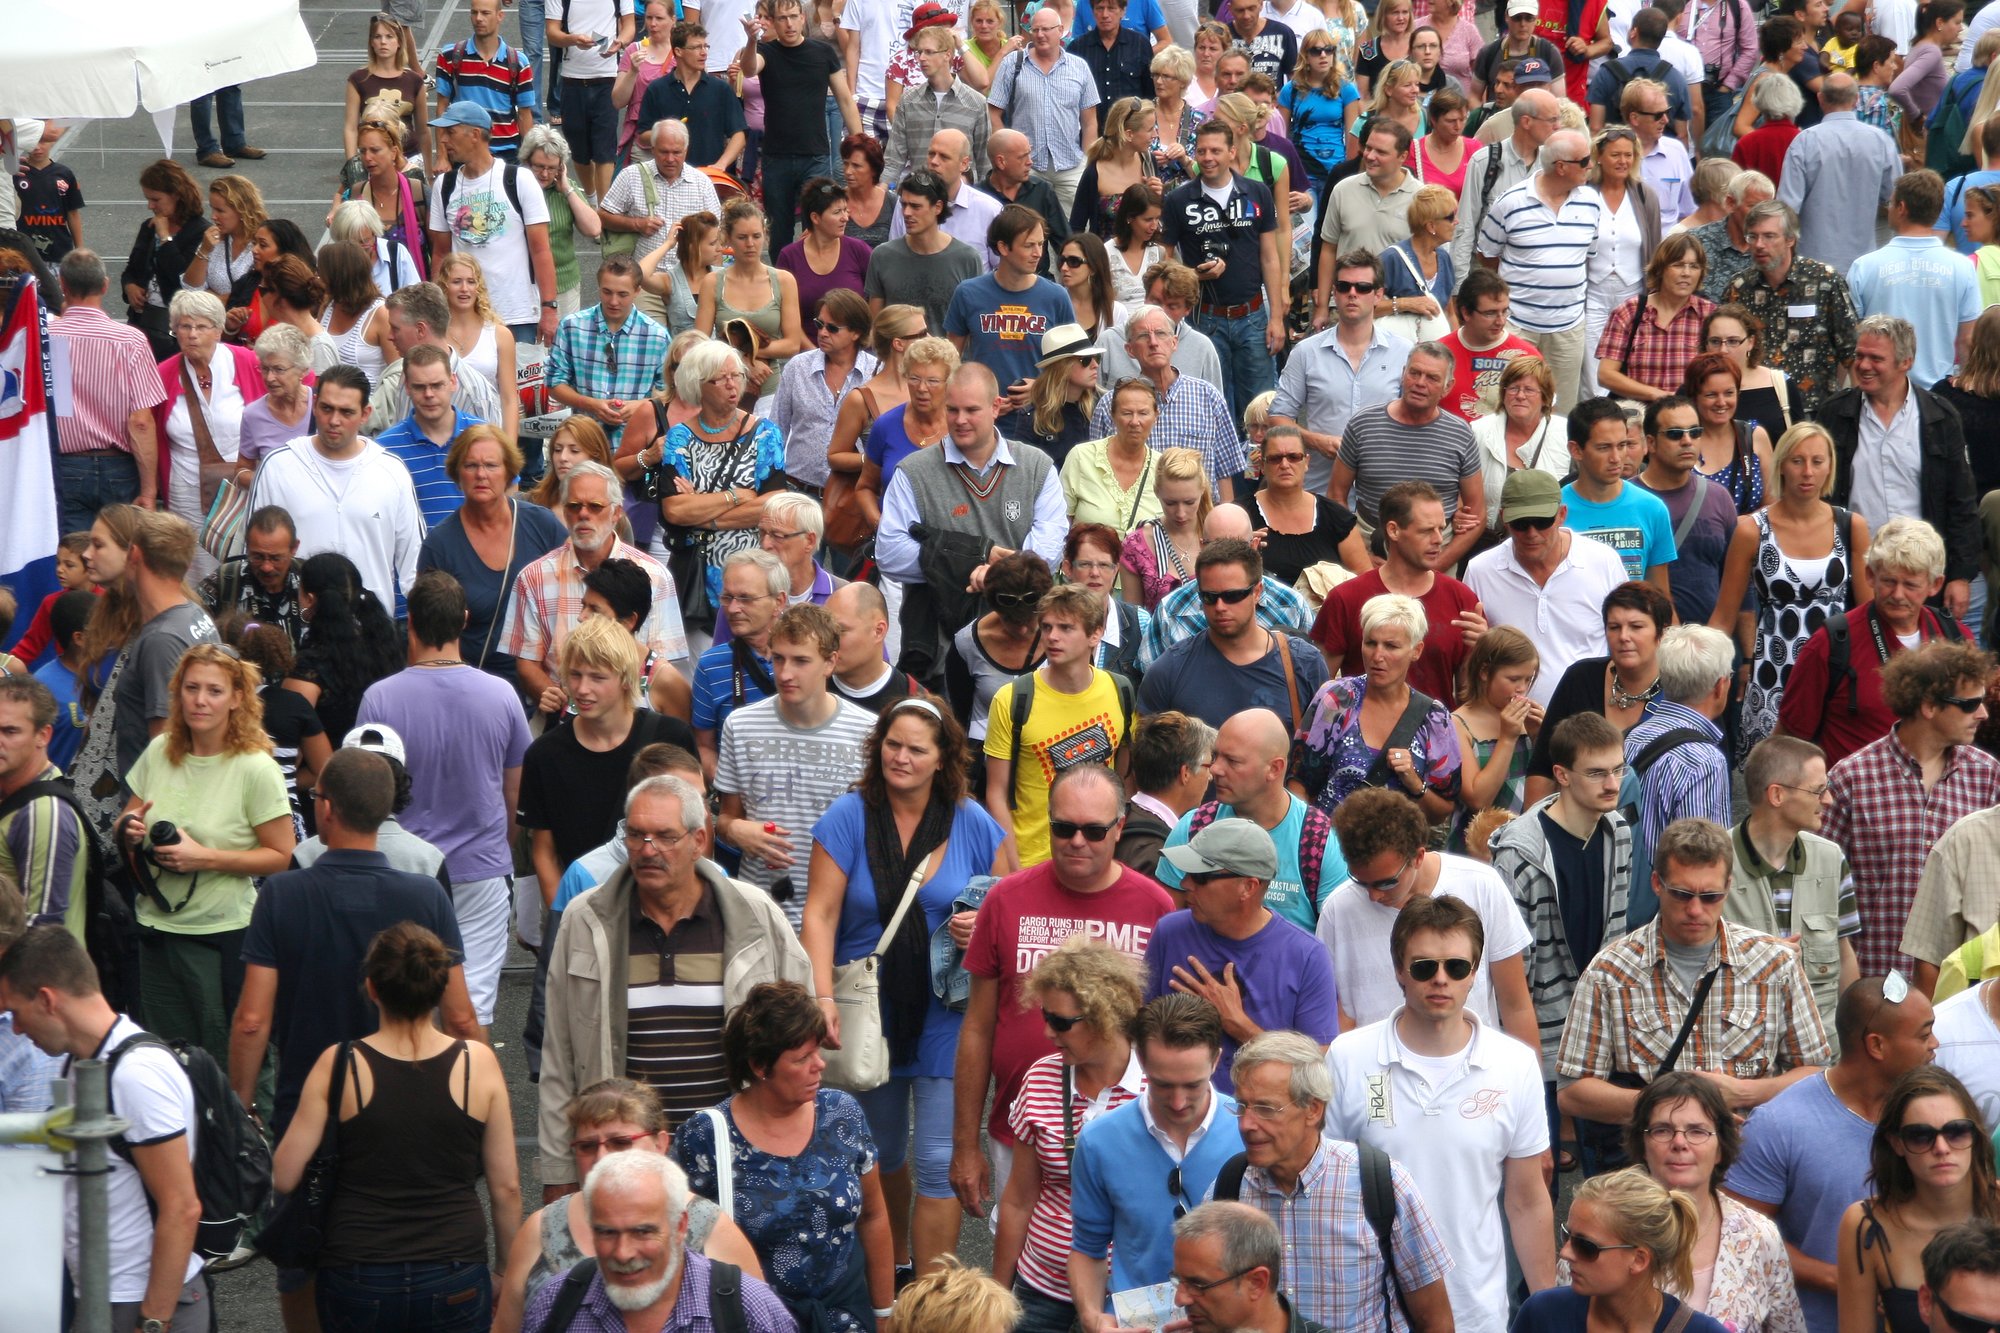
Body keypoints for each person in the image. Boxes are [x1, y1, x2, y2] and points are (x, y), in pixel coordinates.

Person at [799, 696, 1003, 1280]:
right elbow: (820, 914)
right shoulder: (847, 816)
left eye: (917, 748)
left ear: (944, 759)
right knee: (881, 1155)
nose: (902, 757)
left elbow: (1006, 903)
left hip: (947, 1011)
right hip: (866, 1009)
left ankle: (932, 1299)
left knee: (939, 1162)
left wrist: (980, 922)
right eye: (893, 744)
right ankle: (892, 1274)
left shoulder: (972, 822)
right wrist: (822, 998)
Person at [540, 771, 812, 1195]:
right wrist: (558, 1174)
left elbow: (801, 1042)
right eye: (636, 835)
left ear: (699, 840)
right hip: (626, 1163)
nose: (648, 850)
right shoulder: (584, 919)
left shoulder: (756, 915)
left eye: (665, 837)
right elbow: (558, 1055)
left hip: (739, 1161)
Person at [268, 921, 518, 1332]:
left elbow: (285, 1173)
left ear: (372, 988)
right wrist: (506, 1272)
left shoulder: (340, 1063)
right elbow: (506, 1188)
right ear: (440, 989)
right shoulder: (478, 1063)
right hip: (454, 1265)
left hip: (358, 1268)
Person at [949, 763, 1173, 1217]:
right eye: (1063, 827)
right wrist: (964, 1145)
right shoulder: (1005, 898)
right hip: (1020, 1125)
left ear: (1119, 829)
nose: (1076, 841)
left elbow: (1163, 1030)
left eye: (1093, 830)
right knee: (1021, 1256)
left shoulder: (1155, 906)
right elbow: (977, 1027)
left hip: (1128, 1132)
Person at [1327, 893, 1556, 1332]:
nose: (1440, 980)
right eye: (1423, 967)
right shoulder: (1348, 1057)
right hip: (1371, 1310)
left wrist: (1546, 1307)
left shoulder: (1515, 1063)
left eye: (1455, 967)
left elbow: (1527, 1200)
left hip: (1476, 1310)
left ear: (1474, 973)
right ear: (1398, 970)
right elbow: (1331, 1191)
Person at [231, 745, 475, 1148]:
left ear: (327, 809)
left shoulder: (281, 894)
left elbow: (252, 1019)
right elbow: (461, 1019)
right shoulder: (427, 896)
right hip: (409, 1106)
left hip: (307, 1106)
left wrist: (240, 1107)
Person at [1558, 816, 1831, 1140]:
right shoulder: (1611, 973)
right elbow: (1573, 1092)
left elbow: (1817, 1073)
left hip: (1750, 1163)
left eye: (1710, 896)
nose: (1695, 910)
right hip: (1650, 1176)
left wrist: (1746, 1093)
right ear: (1657, 883)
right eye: (1682, 895)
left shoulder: (1775, 964)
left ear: (1728, 886)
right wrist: (1673, 1107)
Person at [0, 926, 210, 1331]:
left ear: (47, 1000)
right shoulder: (82, 1063)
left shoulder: (137, 1074)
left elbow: (182, 1207)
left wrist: (153, 1321)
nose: (17, 1030)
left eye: (17, 1014)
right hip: (104, 1295)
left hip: (143, 1305)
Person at [351, 571, 527, 1031]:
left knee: (400, 1005)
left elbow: (365, 792)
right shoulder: (502, 696)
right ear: (464, 620)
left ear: (410, 623)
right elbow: (515, 792)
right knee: (473, 1012)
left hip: (401, 869)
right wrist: (500, 848)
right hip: (482, 870)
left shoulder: (379, 698)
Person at [668, 980, 892, 1333]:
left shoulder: (842, 1114)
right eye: (802, 1058)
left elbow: (875, 1216)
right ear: (760, 1066)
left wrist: (884, 1313)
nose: (819, 1065)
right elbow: (678, 1244)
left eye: (817, 1051)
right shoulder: (706, 1135)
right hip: (753, 1321)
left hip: (846, 1318)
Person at [1724, 976, 1940, 1333]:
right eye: (1922, 1035)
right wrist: (1844, 1280)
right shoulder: (1780, 1123)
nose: (1935, 1044)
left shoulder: (1938, 1118)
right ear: (1876, 1045)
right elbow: (1739, 1237)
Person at [117, 644, 296, 1069]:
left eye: (214, 691)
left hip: (219, 936)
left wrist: (205, 858)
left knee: (219, 1062)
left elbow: (283, 856)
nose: (200, 700)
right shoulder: (161, 750)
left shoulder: (255, 767)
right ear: (177, 693)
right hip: (156, 932)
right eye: (191, 688)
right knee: (165, 1062)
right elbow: (127, 817)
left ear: (237, 698)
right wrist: (129, 830)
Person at [1216, 1030, 1455, 1329]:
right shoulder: (1228, 1190)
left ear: (1313, 1109)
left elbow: (1434, 1318)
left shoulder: (1381, 1183)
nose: (1246, 1124)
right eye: (1241, 1107)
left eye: (1266, 1109)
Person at [495, 1079, 765, 1333]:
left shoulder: (713, 1229)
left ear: (661, 1144)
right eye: (587, 1146)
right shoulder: (541, 1229)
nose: (602, 1157)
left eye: (620, 1142)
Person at [985, 937, 1147, 1329]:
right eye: (1045, 1015)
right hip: (1041, 1287)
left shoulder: (1156, 1089)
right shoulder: (1041, 1077)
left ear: (1105, 1016)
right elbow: (1020, 1200)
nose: (1047, 1032)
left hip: (1126, 1296)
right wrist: (999, 1297)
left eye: (1060, 1022)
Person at [1822, 640, 2000, 980]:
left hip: (1958, 988)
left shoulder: (1987, 774)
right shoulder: (1851, 778)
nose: (1983, 713)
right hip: (1874, 980)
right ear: (1929, 706)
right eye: (1970, 704)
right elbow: (1822, 888)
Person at [1068, 995, 1244, 1328]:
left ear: (1217, 1060)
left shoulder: (1248, 1131)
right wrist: (1093, 1317)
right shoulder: (1098, 1141)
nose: (1178, 1102)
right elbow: (1087, 1248)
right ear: (1143, 1064)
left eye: (1193, 1085)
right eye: (1163, 1085)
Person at [1320, 784, 1537, 1037]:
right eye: (1360, 881)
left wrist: (1529, 1075)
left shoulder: (1482, 884)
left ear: (1418, 856)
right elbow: (1335, 1016)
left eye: (1387, 882)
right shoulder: (1337, 910)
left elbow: (1516, 1006)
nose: (1373, 895)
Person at [715, 605, 875, 927]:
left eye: (801, 661)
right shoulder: (741, 725)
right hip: (761, 909)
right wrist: (736, 830)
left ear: (830, 662)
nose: (785, 674)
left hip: (841, 915)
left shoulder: (868, 731)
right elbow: (726, 818)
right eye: (778, 659)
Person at [68, 509, 224, 840]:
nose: (86, 554)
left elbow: (166, 749)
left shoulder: (161, 638)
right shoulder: (190, 616)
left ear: (134, 554)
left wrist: (137, 821)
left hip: (143, 823)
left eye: (99, 544)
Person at [1144, 814, 1340, 1074]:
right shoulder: (1169, 932)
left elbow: (1317, 1069)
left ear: (1248, 887)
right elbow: (1141, 1034)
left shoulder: (1307, 956)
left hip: (1262, 1112)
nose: (1185, 883)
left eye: (1200, 877)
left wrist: (1239, 1025)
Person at [1621, 1073, 1811, 1332]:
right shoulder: (1605, 1228)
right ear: (1642, 1144)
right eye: (1662, 1130)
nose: (1679, 1143)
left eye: (1697, 1131)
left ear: (1721, 1147)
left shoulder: (1758, 1236)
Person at [1819, 316, 1979, 623]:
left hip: (1921, 576)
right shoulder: (1834, 413)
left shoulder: (1940, 416)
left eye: (1876, 358)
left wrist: (1959, 576)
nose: (1863, 365)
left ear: (1906, 362)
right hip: (1855, 574)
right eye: (1860, 355)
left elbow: (1961, 502)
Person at [503, 459, 688, 718]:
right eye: (574, 506)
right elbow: (526, 662)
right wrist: (558, 699)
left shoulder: (656, 577)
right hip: (561, 720)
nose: (583, 514)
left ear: (616, 513)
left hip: (634, 718)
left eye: (595, 506)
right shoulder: (532, 577)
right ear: (564, 512)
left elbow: (663, 666)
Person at [1836, 1066, 2000, 1333]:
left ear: (1974, 1135)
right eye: (1920, 1136)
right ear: (1897, 1143)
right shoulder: (1866, 1224)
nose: (1941, 1148)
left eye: (1956, 1131)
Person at [249, 366, 425, 614]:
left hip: (369, 633)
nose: (334, 421)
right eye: (327, 408)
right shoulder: (278, 466)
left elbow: (414, 563)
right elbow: (254, 552)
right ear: (315, 405)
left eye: (346, 412)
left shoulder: (391, 471)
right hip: (298, 629)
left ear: (365, 414)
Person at [982, 585, 1136, 868]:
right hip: (1031, 860)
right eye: (1047, 627)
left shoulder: (1120, 690)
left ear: (1095, 634)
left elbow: (1124, 777)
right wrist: (1013, 869)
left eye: (1066, 628)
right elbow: (996, 793)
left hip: (1096, 861)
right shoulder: (1013, 699)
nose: (1052, 637)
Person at [1725, 735, 1859, 1054]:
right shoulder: (1715, 863)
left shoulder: (1831, 859)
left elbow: (1844, 954)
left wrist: (1853, 1040)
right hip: (1740, 1060)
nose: (1827, 800)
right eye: (1817, 790)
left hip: (1821, 1059)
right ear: (1777, 795)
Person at [1290, 592, 1464, 822]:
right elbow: (1298, 783)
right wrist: (1311, 840)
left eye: (1391, 646)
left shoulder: (1434, 718)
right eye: (1371, 643)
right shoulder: (1337, 698)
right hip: (1328, 847)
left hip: (1397, 853)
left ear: (1416, 650)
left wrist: (1413, 781)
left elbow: (1443, 811)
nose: (1377, 655)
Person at [1157, 120, 1286, 421]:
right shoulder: (1178, 199)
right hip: (1205, 318)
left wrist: (1277, 317)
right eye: (1201, 151)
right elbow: (1164, 262)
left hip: (1253, 315)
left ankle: (1258, 467)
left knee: (1260, 408)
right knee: (1214, 407)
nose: (1207, 158)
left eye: (1215, 150)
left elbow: (1270, 257)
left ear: (1231, 152)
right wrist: (1195, 275)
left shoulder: (1257, 192)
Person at [1310, 480, 1483, 705]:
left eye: (1441, 528)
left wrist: (1481, 652)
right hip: (1357, 736)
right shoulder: (1346, 598)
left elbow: (1468, 699)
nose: (1439, 539)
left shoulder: (1462, 599)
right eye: (1426, 530)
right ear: (1393, 530)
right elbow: (1320, 689)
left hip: (1435, 735)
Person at [1137, 535, 1329, 732]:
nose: (1220, 607)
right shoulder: (1170, 670)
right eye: (1209, 597)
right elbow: (1148, 753)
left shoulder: (1305, 663)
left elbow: (1323, 746)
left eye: (1233, 596)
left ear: (1257, 592)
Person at [1517, 1167, 1731, 1333]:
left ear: (1639, 1259)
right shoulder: (1544, 1314)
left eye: (1585, 1246)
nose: (1565, 1253)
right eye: (1566, 1235)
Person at [1329, 341, 1485, 566]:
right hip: (1369, 543)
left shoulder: (1460, 434)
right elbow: (1335, 495)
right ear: (1403, 374)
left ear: (1448, 387)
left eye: (1432, 378)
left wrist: (1437, 567)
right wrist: (1360, 556)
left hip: (1437, 548)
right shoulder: (1363, 424)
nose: (1420, 383)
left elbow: (1477, 515)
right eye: (1415, 373)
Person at [1620, 624, 1735, 920]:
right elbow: (1702, 859)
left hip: (1621, 899)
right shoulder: (1705, 760)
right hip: (1670, 916)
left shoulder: (1635, 736)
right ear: (1720, 686)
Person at [48, 250, 164, 533]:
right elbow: (140, 421)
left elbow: (59, 404)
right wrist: (149, 491)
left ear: (63, 284)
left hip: (67, 464)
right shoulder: (130, 340)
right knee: (119, 557)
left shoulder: (50, 338)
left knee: (73, 558)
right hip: (119, 467)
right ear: (104, 285)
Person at [427, 102, 559, 348]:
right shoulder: (444, 186)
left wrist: (549, 307)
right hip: (463, 317)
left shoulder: (519, 179)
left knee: (518, 387)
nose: (443, 140)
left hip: (517, 315)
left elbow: (541, 249)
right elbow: (440, 253)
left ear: (475, 135)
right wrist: (438, 307)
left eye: (450, 132)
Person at [1722, 200, 1858, 426]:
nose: (1759, 245)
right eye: (1752, 237)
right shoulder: (1739, 288)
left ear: (1790, 239)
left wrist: (1853, 411)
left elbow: (1852, 350)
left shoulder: (1824, 281)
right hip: (1755, 410)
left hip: (1813, 411)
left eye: (1768, 236)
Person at [946, 205, 1076, 435]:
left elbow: (1073, 365)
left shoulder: (1056, 296)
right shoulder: (968, 293)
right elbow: (950, 360)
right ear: (1003, 247)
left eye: (1041, 243)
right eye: (1029, 246)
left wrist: (1040, 387)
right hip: (982, 421)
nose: (1038, 253)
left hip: (1041, 420)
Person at [1090, 305, 1244, 494]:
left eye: (1161, 334)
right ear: (1130, 350)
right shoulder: (1109, 405)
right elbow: (1097, 474)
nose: (1153, 342)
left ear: (1174, 342)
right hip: (1136, 519)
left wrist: (1222, 520)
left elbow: (1225, 473)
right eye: (1143, 336)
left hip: (1200, 516)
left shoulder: (1208, 396)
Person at [545, 255, 672, 457]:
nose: (613, 301)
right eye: (607, 292)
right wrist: (591, 404)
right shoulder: (572, 327)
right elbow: (554, 383)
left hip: (634, 445)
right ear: (598, 287)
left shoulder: (656, 336)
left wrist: (642, 405)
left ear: (637, 291)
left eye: (622, 294)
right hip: (584, 441)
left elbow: (671, 394)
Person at [0, 676, 91, 941]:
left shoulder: (44, 813)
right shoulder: (12, 792)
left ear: (43, 735)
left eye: (10, 731)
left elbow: (41, 928)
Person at [282, 551, 404, 745]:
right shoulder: (385, 646)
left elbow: (288, 746)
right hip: (387, 766)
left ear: (310, 599)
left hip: (333, 771)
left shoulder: (310, 666)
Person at [1597, 233, 1713, 403]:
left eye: (1694, 266)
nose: (1686, 273)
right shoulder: (1629, 312)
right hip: (1640, 413)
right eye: (1678, 265)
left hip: (1691, 415)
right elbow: (1606, 375)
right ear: (1660, 269)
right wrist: (1656, 395)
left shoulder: (1710, 315)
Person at [121, 160, 209, 360]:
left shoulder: (199, 231)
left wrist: (165, 237)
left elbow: (182, 277)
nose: (150, 206)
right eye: (147, 199)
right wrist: (130, 286)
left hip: (175, 329)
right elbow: (131, 270)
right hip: (142, 322)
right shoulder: (148, 227)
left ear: (177, 195)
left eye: (156, 199)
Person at [636, 21, 749, 173]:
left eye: (705, 46)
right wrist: (667, 130)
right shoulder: (657, 89)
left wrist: (721, 165)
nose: (704, 52)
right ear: (678, 51)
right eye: (696, 47)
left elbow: (739, 134)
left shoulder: (720, 89)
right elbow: (643, 135)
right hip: (669, 176)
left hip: (712, 176)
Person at [1116, 710, 1213, 879]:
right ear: (1185, 773)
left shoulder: (1117, 820)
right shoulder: (1156, 854)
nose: (1211, 776)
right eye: (1208, 766)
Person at [1118, 446, 1210, 610]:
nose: (1180, 513)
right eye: (1170, 503)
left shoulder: (1221, 533)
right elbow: (1135, 618)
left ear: (1202, 491)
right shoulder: (1137, 545)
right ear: (1156, 492)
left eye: (1189, 502)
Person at [1021, 323, 1104, 470]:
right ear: (1062, 367)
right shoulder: (1033, 417)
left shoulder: (1102, 408)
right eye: (1085, 360)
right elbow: (1026, 472)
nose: (1095, 365)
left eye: (1096, 357)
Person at [1689, 170, 1776, 303]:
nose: (1761, 215)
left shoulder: (1776, 247)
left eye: (1767, 208)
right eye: (1753, 207)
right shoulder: (1695, 243)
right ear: (1731, 203)